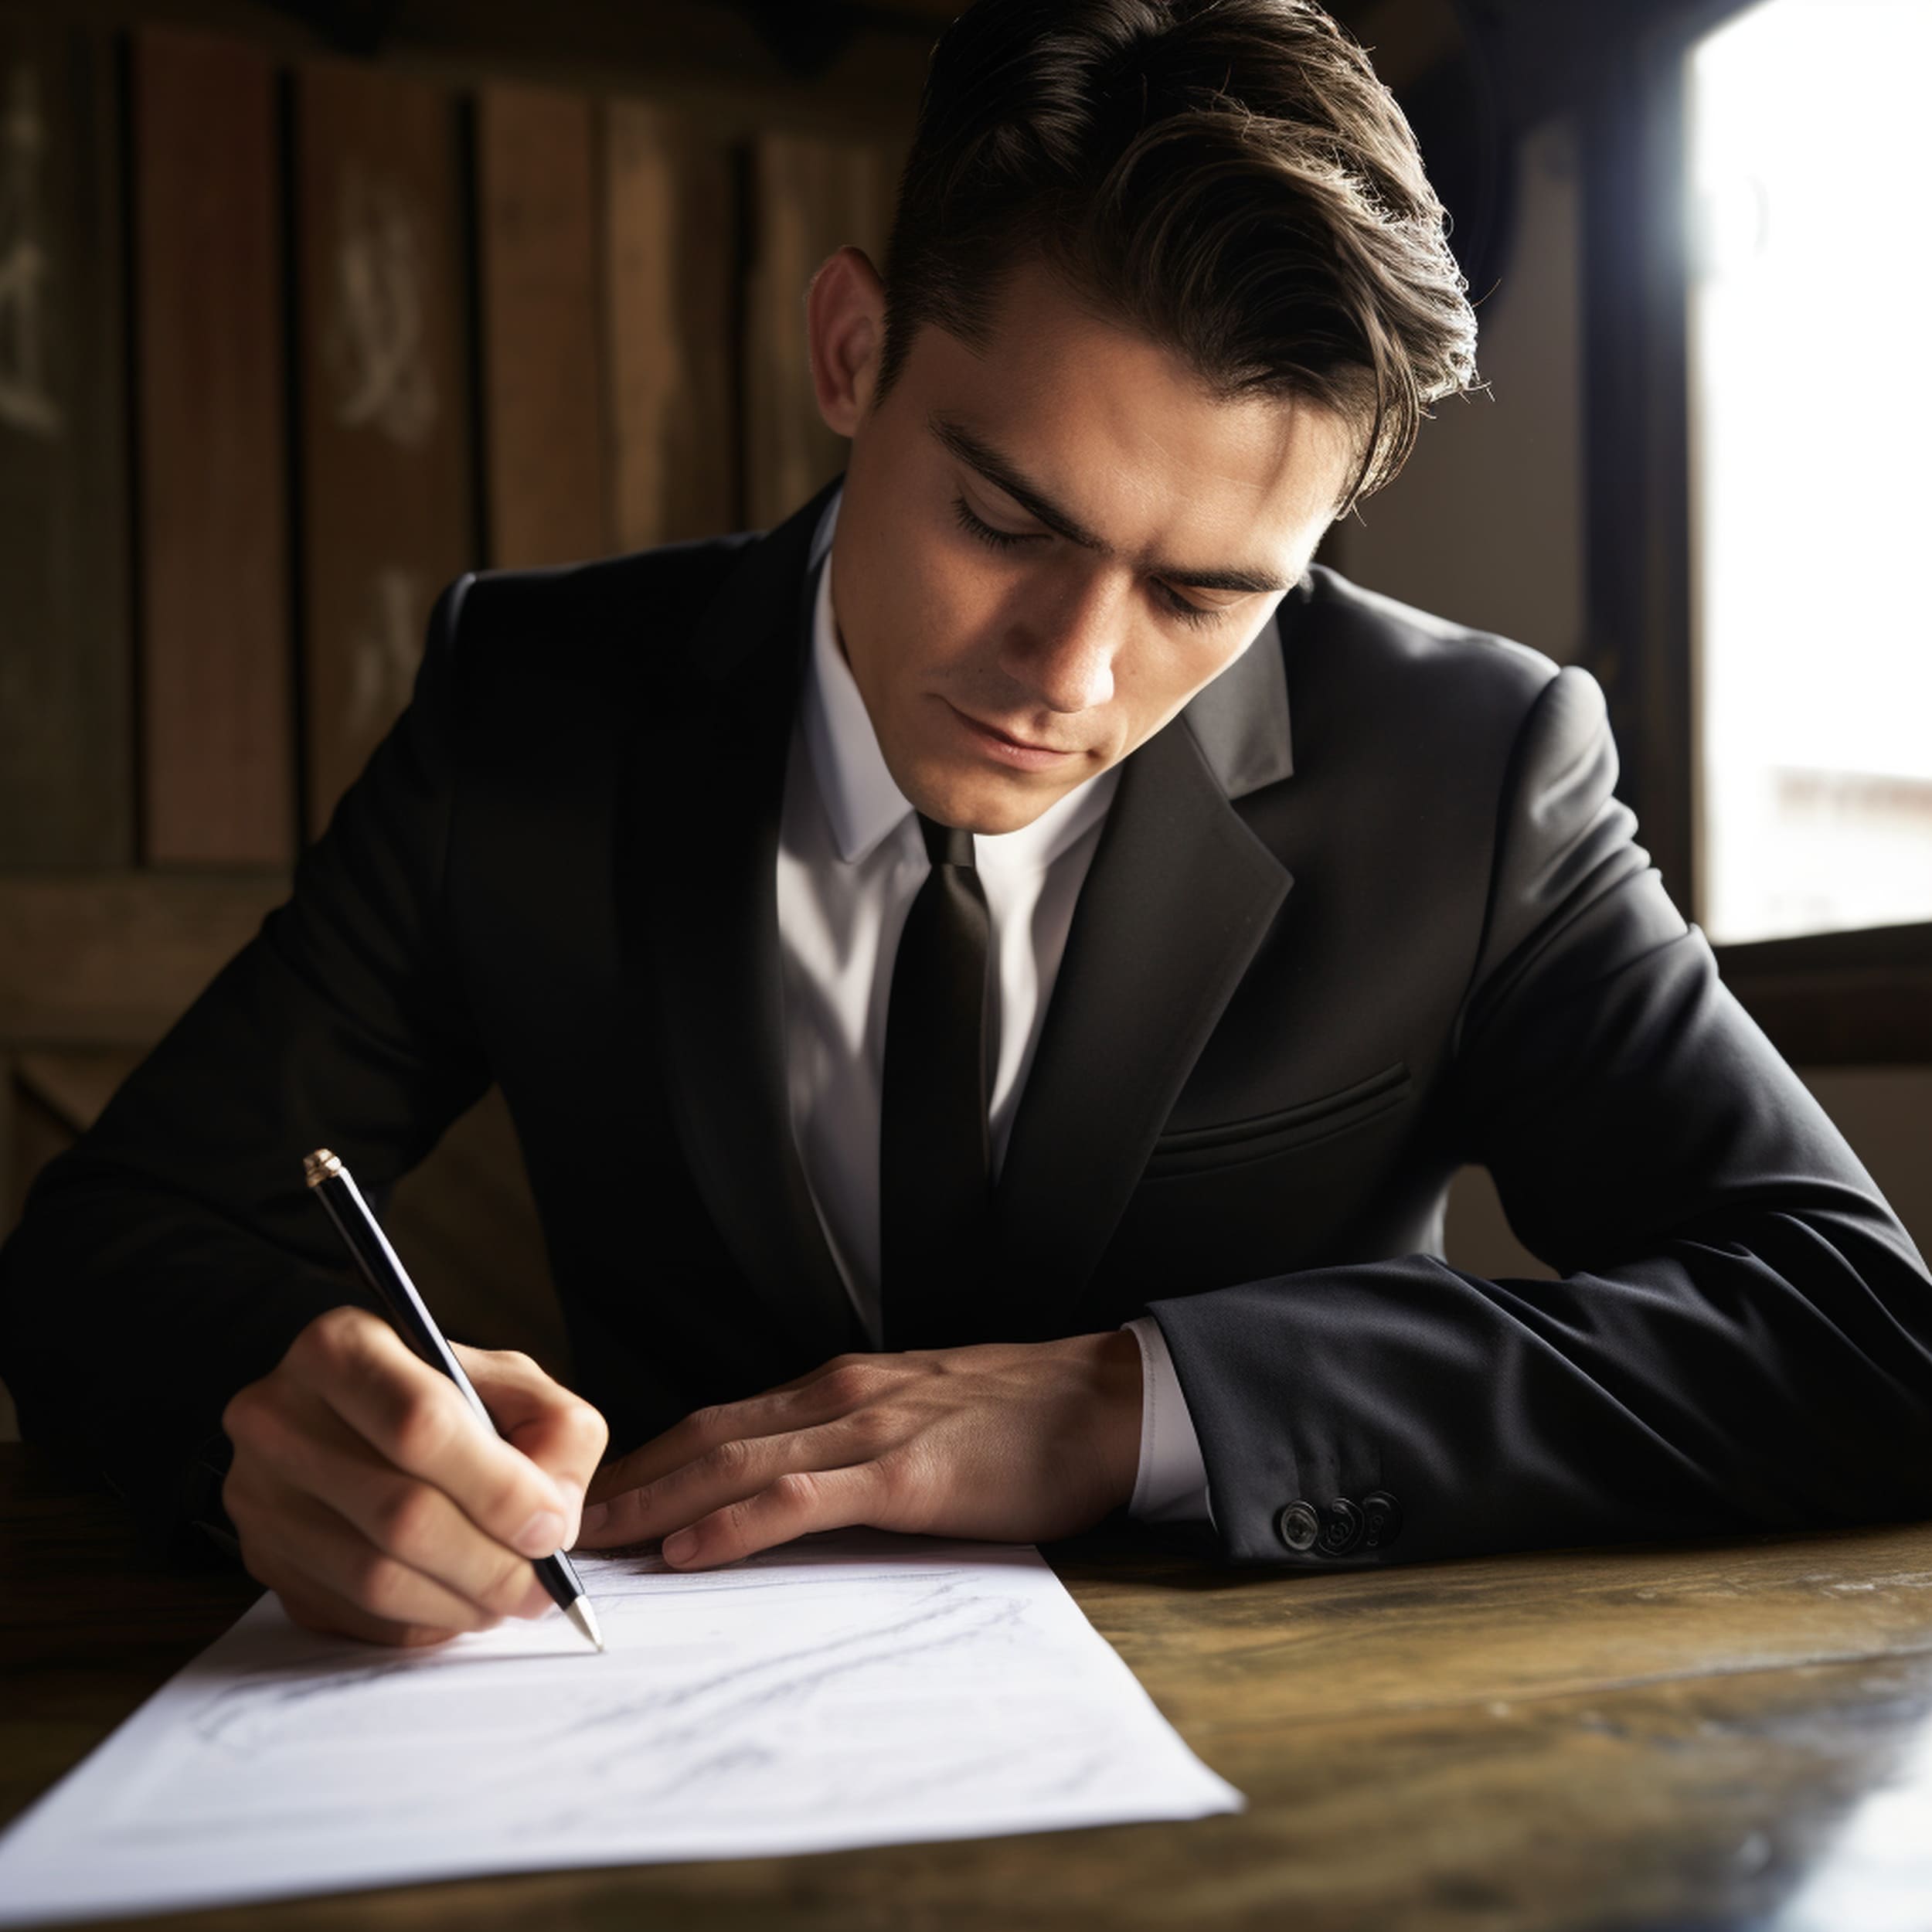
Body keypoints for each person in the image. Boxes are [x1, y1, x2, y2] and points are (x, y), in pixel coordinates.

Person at [3, 0, 1927, 1649]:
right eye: (1005, 521)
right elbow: (115, 1244)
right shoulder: (534, 706)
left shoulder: (1471, 771)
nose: (1068, 674)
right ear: (853, 352)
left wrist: (1140, 1401)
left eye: (1202, 595)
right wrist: (275, 1420)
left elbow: (1853, 1334)